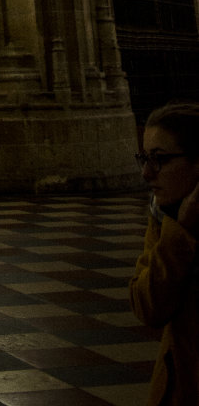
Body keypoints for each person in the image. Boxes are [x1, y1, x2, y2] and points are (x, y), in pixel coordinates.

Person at [130, 101, 199, 405]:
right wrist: (180, 231)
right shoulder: (164, 217)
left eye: (159, 159)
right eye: (144, 158)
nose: (147, 173)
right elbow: (149, 307)